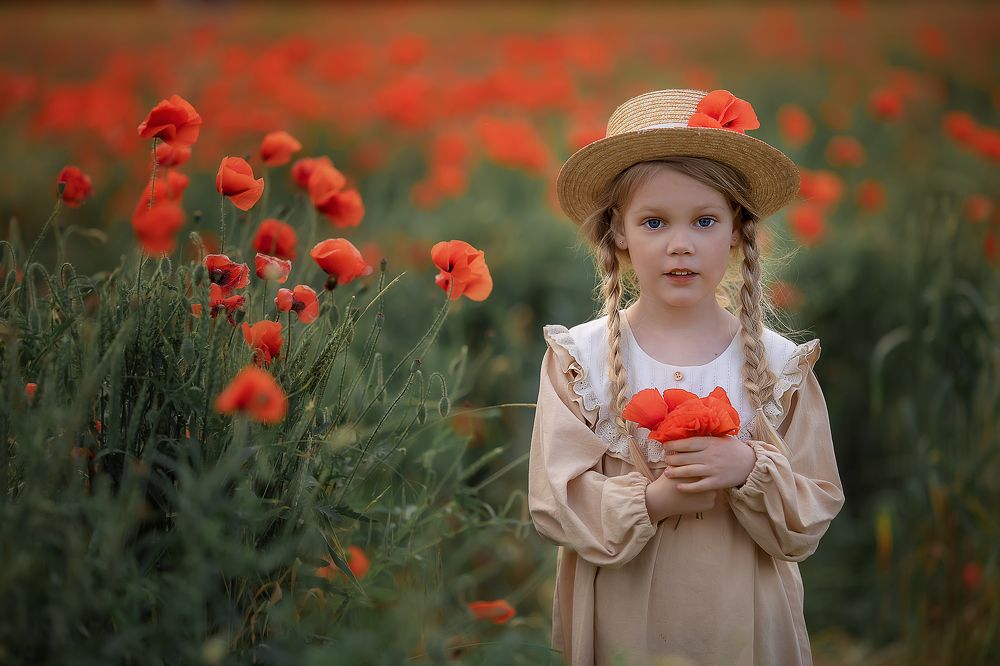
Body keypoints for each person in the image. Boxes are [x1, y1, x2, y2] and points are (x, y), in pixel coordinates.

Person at [527, 88, 846, 666]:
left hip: (739, 617)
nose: (681, 244)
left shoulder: (777, 367)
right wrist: (653, 500)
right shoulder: (583, 361)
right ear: (618, 232)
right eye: (654, 222)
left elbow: (812, 510)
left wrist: (749, 469)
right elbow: (555, 501)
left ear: (737, 230)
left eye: (704, 220)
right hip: (624, 617)